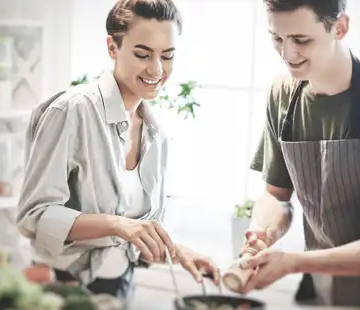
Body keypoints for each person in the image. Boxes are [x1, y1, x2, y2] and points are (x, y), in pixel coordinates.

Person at [236, 0, 360, 308]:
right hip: (324, 290)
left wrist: (293, 262)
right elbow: (276, 197)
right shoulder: (282, 95)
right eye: (277, 38)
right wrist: (262, 232)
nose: (288, 54)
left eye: (302, 40)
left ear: (340, 28)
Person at [15, 0, 220, 303]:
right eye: (143, 54)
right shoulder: (71, 111)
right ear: (112, 47)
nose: (157, 69)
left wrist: (178, 252)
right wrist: (117, 225)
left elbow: (135, 233)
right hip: (60, 289)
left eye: (168, 55)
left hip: (120, 288)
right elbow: (34, 216)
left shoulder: (156, 135)